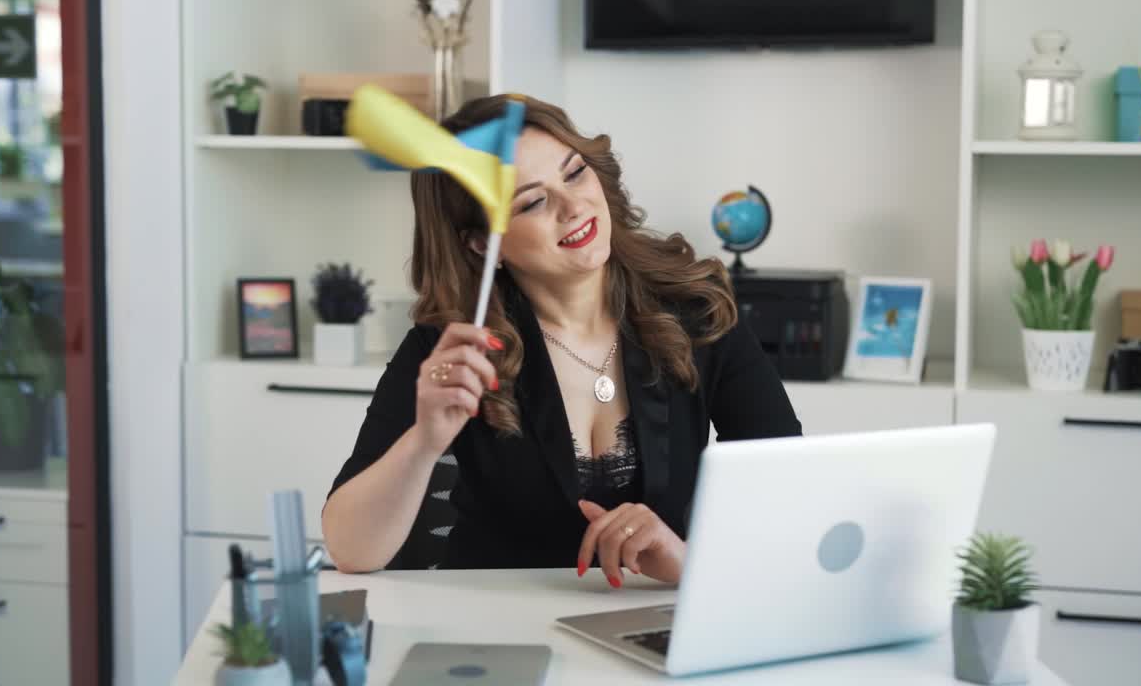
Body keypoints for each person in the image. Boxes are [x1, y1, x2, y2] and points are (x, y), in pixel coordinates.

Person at [321, 94, 800, 587]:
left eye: (574, 173)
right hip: (497, 637)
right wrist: (424, 441)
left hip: (652, 616)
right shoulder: (450, 349)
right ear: (484, 244)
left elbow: (788, 497)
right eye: (532, 201)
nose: (574, 207)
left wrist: (689, 562)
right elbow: (351, 550)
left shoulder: (698, 312)